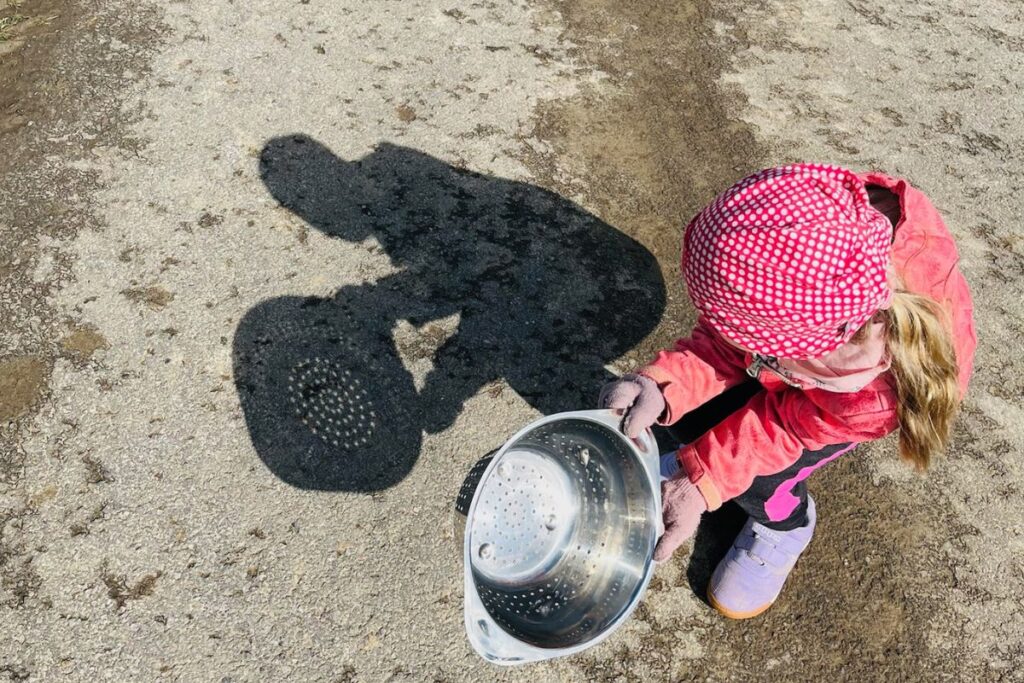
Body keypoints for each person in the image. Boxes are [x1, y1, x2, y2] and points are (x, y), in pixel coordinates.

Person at [600, 163, 976, 619]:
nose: (729, 332)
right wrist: (661, 384)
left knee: (765, 479)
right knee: (690, 419)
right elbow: (726, 342)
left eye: (743, 330)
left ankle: (784, 526)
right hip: (799, 360)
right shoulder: (816, 243)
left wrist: (701, 483)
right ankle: (696, 459)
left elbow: (787, 430)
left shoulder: (876, 396)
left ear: (797, 344)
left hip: (833, 410)